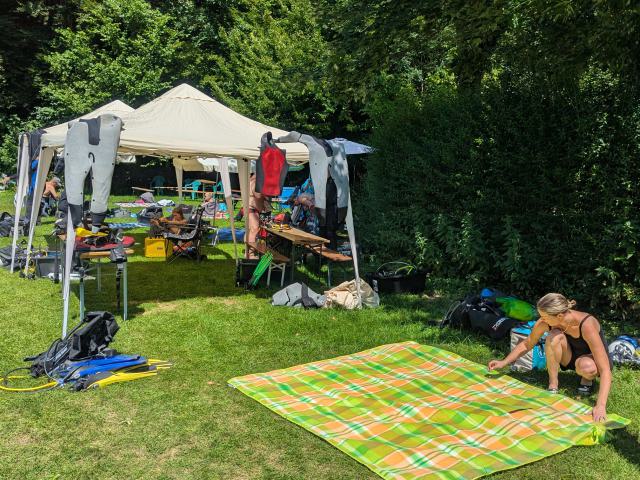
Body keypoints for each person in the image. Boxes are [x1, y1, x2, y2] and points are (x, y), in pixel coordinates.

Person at [488, 293, 612, 422]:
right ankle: (553, 385)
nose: (542, 319)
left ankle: (586, 379)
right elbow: (527, 343)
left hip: (590, 361)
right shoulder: (546, 322)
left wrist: (600, 406)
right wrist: (504, 362)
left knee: (586, 366)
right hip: (569, 356)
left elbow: (605, 369)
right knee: (553, 336)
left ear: (559, 316)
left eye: (544, 317)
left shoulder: (586, 324)